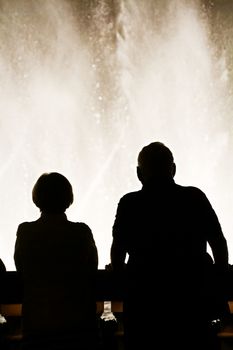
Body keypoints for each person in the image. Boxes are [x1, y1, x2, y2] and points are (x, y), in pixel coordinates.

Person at [109, 141, 229, 350]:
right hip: (192, 299)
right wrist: (219, 278)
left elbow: (118, 249)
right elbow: (218, 242)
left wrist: (120, 276)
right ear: (173, 169)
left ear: (139, 173)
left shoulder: (130, 203)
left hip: (145, 301)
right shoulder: (194, 197)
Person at [14, 172, 99, 350]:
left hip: (37, 326)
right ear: (68, 198)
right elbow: (92, 269)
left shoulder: (25, 232)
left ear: (36, 198)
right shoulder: (81, 232)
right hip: (78, 327)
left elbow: (21, 269)